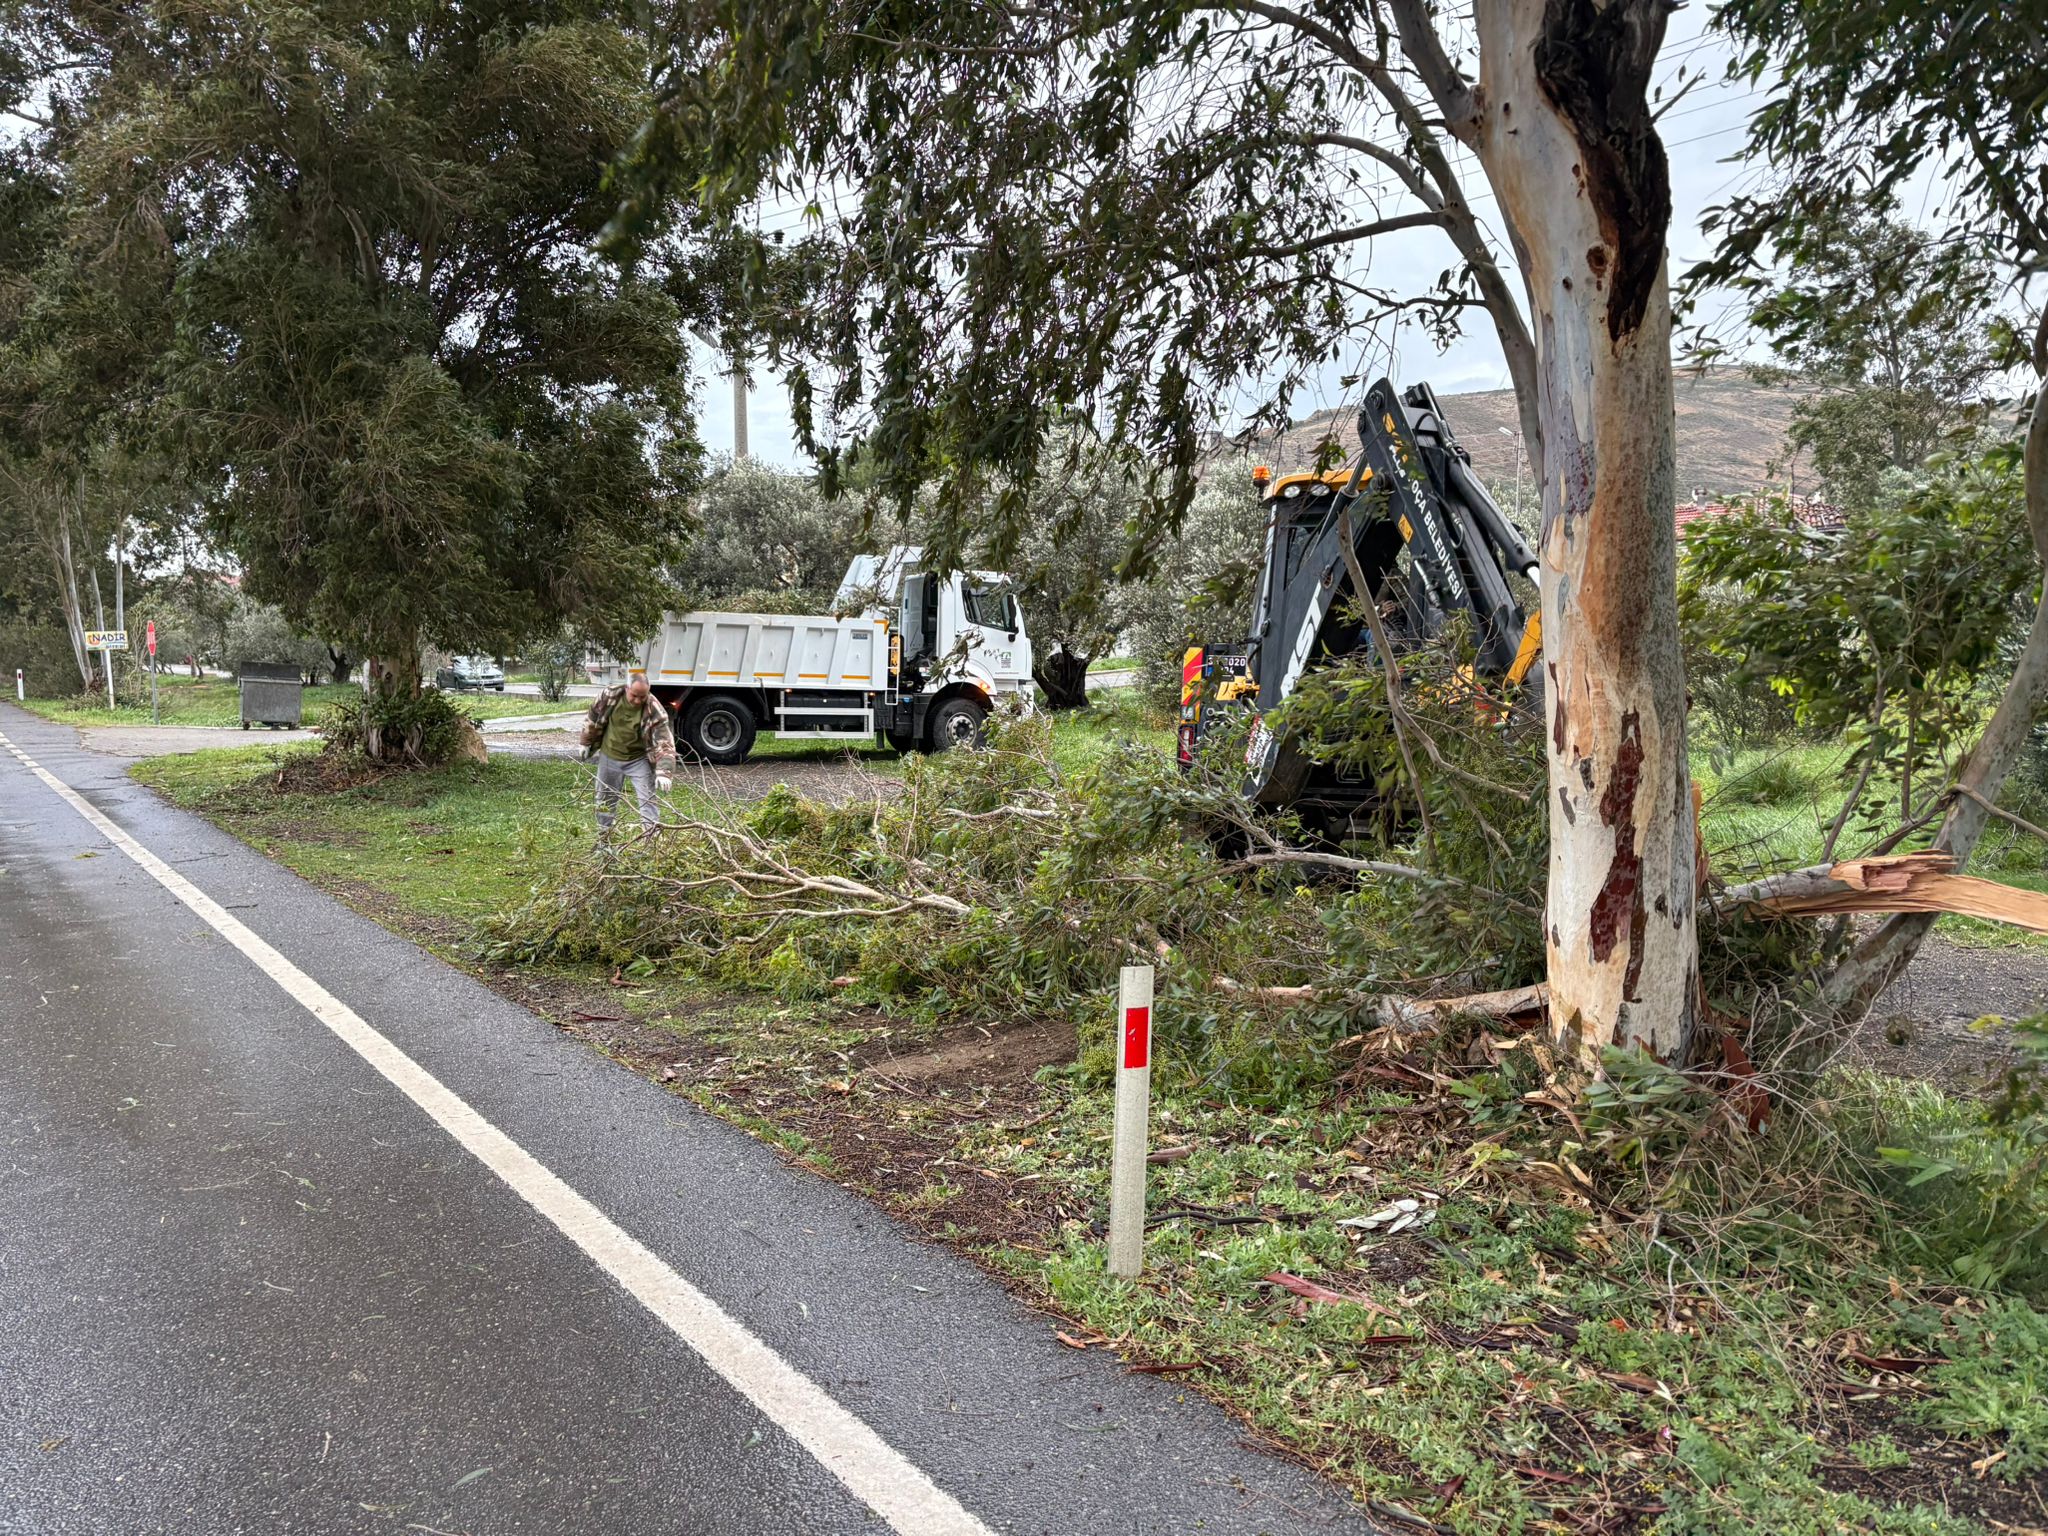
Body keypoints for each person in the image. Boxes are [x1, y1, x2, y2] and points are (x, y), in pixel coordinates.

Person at [580, 674, 676, 835]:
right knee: (604, 800)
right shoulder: (609, 695)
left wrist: (664, 772)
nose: (638, 701)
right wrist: (585, 741)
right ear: (627, 689)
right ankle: (604, 837)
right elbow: (593, 716)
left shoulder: (654, 709)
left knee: (647, 800)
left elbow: (664, 742)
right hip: (609, 756)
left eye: (642, 696)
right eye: (634, 696)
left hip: (638, 760)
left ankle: (652, 842)